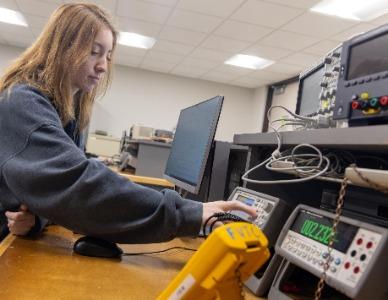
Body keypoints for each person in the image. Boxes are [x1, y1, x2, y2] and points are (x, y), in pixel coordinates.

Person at [0, 3, 256, 243]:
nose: (102, 66)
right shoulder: (22, 102)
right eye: (94, 52)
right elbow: (74, 185)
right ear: (62, 48)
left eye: (108, 56)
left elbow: (50, 192)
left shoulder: (67, 109)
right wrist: (188, 214)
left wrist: (37, 220)